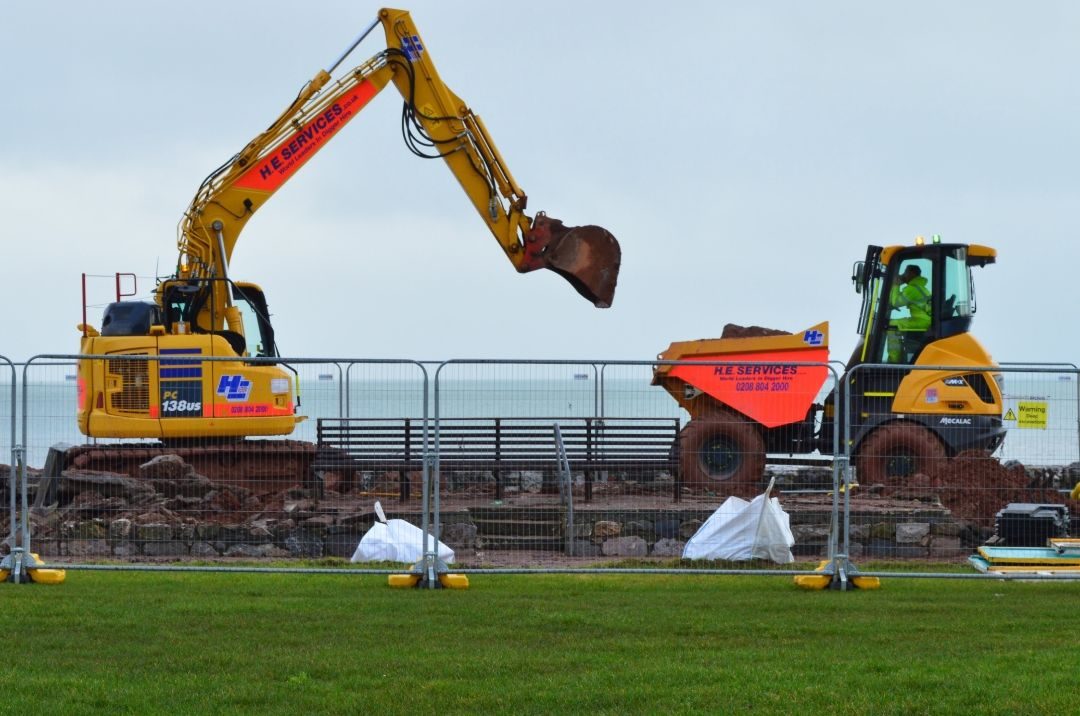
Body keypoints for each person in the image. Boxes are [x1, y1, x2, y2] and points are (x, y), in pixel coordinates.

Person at [887, 264, 931, 362]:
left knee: (892, 325)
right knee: (898, 322)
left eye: (905, 272)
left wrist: (896, 285)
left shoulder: (912, 289)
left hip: (923, 321)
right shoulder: (918, 287)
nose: (903, 275)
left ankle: (894, 360)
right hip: (925, 320)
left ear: (912, 273)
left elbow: (896, 302)